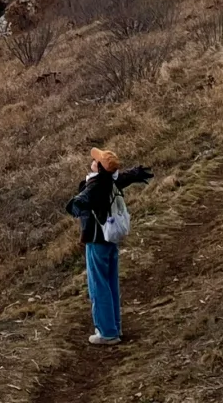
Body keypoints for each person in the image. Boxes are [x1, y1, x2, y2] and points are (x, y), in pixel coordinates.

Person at [66, 146, 153, 345]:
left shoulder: (96, 185)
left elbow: (82, 200)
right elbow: (123, 177)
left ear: (100, 168)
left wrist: (74, 205)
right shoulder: (111, 182)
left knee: (98, 285)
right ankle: (114, 326)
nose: (92, 161)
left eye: (96, 160)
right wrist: (135, 174)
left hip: (97, 241)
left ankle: (106, 332)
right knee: (111, 282)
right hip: (110, 240)